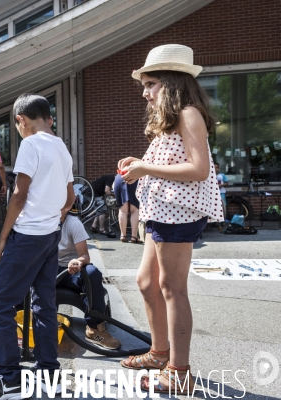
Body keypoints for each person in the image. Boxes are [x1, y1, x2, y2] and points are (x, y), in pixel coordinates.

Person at [118, 44, 224, 394]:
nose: (145, 93)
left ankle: (178, 371)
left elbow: (198, 169)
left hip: (176, 213)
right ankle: (159, 352)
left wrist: (144, 167)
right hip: (162, 211)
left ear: (172, 82)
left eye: (151, 84)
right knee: (147, 282)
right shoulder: (174, 116)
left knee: (172, 289)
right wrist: (140, 164)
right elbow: (174, 160)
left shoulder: (188, 113)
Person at [0, 94, 75, 400]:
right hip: (49, 237)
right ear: (49, 118)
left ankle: (10, 380)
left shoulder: (31, 144)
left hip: (26, 236)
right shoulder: (62, 148)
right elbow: (69, 200)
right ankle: (49, 376)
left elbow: (18, 195)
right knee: (45, 305)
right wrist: (53, 216)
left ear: (21, 120)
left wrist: (2, 238)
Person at [57, 211, 121, 349]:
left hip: (71, 271)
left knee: (92, 273)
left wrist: (77, 261)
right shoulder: (41, 220)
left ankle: (95, 329)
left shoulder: (73, 223)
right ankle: (22, 322)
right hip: (48, 270)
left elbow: (85, 255)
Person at [113, 173, 141, 243]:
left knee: (122, 211)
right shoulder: (137, 162)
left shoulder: (122, 162)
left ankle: (123, 235)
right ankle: (134, 236)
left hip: (119, 178)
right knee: (135, 210)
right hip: (134, 177)